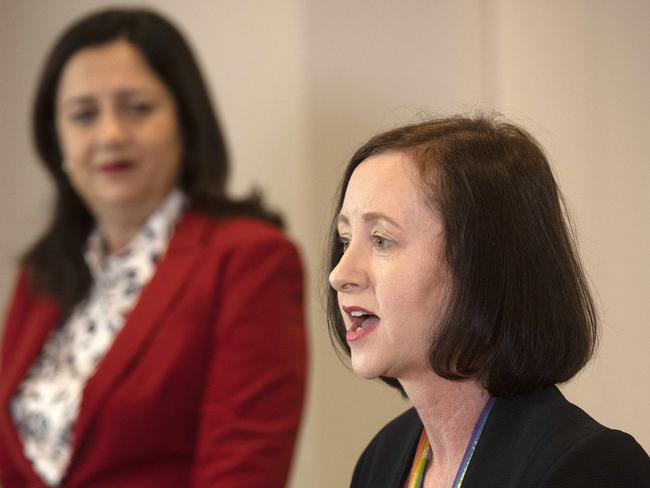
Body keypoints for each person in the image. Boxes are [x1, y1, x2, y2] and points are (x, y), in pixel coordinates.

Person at [0, 8, 306, 488]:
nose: (110, 135)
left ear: (185, 120)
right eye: (83, 115)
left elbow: (242, 472)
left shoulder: (250, 259)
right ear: (55, 138)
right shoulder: (41, 274)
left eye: (137, 108)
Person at [327, 115, 650, 487]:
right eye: (347, 240)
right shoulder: (382, 458)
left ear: (480, 267)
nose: (339, 274)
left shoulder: (590, 468)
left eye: (382, 240)